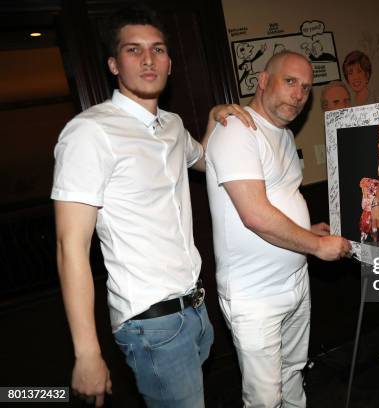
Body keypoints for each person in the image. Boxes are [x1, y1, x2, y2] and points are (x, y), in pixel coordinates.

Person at [51, 5, 254, 407]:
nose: (148, 59)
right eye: (133, 50)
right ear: (113, 64)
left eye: (158, 49)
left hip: (194, 310)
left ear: (170, 62)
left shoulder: (173, 126)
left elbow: (205, 158)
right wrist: (87, 352)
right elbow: (68, 246)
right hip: (151, 323)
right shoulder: (90, 132)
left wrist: (215, 117)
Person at [205, 51, 352, 407]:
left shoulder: (282, 133)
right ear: (263, 80)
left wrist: (309, 230)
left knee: (293, 372)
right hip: (255, 295)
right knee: (265, 398)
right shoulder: (237, 130)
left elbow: (281, 196)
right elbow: (255, 214)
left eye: (305, 87)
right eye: (290, 82)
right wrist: (317, 247)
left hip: (295, 282)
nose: (299, 94)